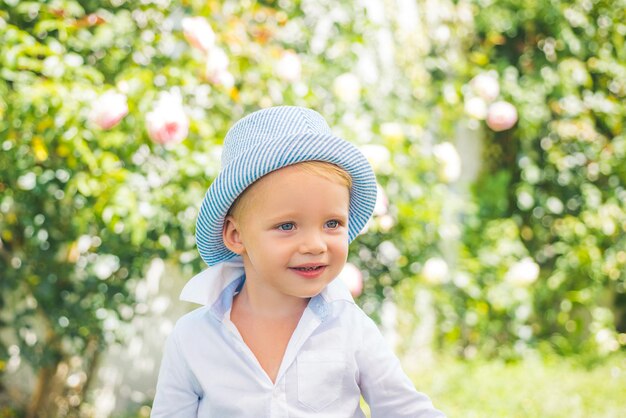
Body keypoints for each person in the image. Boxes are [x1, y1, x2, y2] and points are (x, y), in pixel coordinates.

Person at [151, 106, 446, 417]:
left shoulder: (349, 326)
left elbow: (405, 410)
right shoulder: (193, 337)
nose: (315, 245)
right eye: (287, 226)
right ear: (236, 235)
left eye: (332, 224)